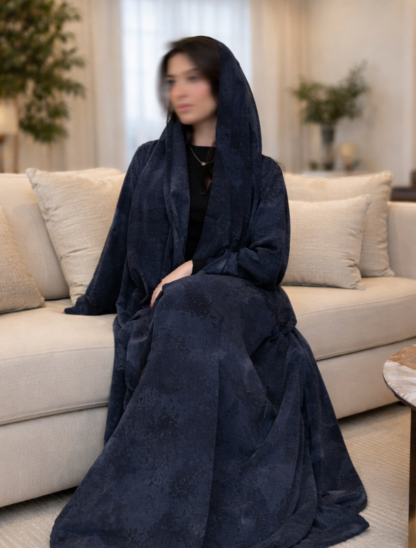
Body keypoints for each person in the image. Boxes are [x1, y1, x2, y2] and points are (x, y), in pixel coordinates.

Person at [51, 36, 369, 547]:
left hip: (246, 296)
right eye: (171, 81)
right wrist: (94, 300)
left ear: (224, 87)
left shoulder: (262, 172)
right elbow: (121, 237)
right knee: (181, 306)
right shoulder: (148, 160)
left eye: (193, 78)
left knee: (185, 299)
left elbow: (269, 259)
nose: (179, 90)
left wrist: (196, 267)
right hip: (173, 303)